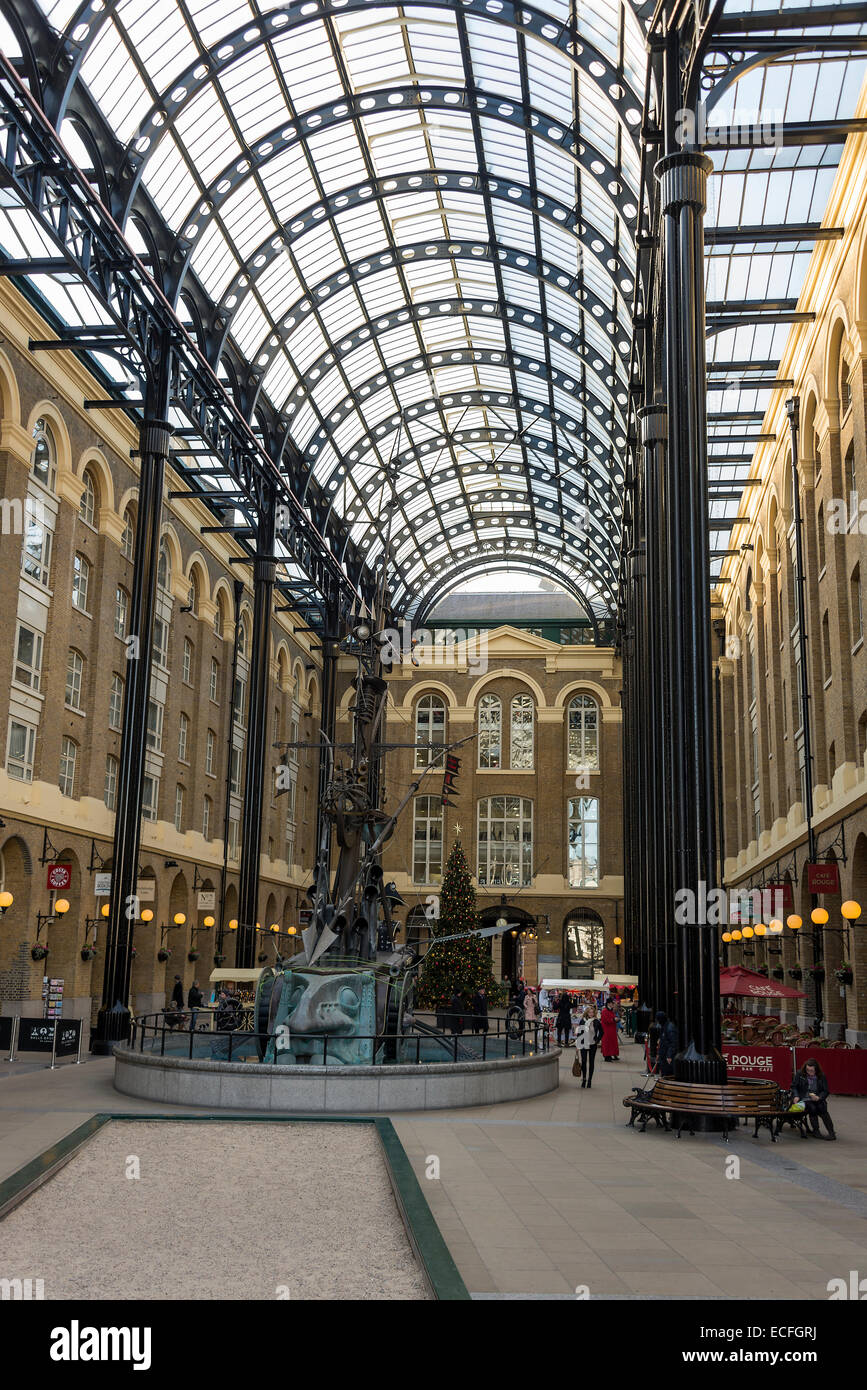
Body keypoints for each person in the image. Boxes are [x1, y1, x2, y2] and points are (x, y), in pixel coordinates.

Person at [793, 1058, 836, 1139]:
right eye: (807, 1070)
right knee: (812, 1108)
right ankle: (816, 1131)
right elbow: (794, 1086)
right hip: (804, 1097)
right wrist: (796, 1095)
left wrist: (819, 1097)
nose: (809, 1072)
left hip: (816, 1097)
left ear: (816, 1069)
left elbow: (825, 1091)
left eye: (812, 1070)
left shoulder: (821, 1075)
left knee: (822, 1107)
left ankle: (831, 1133)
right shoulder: (800, 1073)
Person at [575, 1006, 603, 1088]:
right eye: (589, 1012)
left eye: (592, 1012)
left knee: (591, 1062)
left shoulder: (596, 1021)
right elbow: (579, 1034)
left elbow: (602, 1032)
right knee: (583, 1061)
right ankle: (584, 1079)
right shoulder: (582, 1021)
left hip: (592, 1044)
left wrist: (597, 1040)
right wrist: (578, 1045)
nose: (591, 1014)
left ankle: (590, 1080)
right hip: (584, 1043)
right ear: (587, 1013)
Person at [656, 1010, 679, 1076]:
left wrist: (669, 1055)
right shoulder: (664, 1026)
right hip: (664, 1055)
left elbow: (673, 1043)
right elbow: (662, 1041)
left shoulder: (669, 1028)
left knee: (667, 1072)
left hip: (667, 1056)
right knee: (664, 1071)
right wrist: (658, 1054)